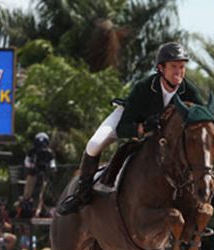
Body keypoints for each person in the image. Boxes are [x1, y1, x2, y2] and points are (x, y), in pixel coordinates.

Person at [58, 42, 205, 215]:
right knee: (94, 144)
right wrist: (142, 128)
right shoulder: (144, 87)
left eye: (182, 67)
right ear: (160, 68)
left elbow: (202, 121)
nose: (179, 72)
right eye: (174, 66)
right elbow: (123, 129)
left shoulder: (190, 92)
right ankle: (82, 195)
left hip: (161, 136)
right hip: (128, 118)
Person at [22, 132, 57, 217]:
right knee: (27, 193)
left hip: (43, 175)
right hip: (32, 174)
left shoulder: (49, 152)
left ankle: (37, 211)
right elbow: (26, 161)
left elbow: (52, 162)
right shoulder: (32, 151)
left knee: (39, 194)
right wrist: (31, 165)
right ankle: (25, 208)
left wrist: (52, 168)